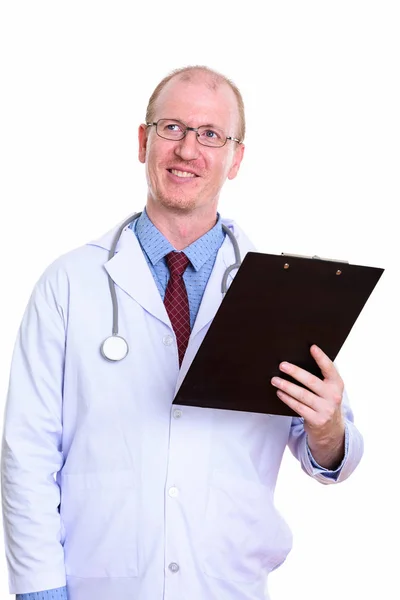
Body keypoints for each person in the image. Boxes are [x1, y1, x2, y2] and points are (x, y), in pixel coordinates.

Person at [1, 65, 363, 600]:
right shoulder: (70, 282)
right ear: (144, 141)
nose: (188, 149)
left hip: (227, 585)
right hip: (96, 585)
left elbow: (332, 458)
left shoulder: (284, 292)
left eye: (211, 135)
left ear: (236, 158)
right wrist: (40, 588)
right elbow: (26, 452)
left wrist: (328, 427)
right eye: (172, 128)